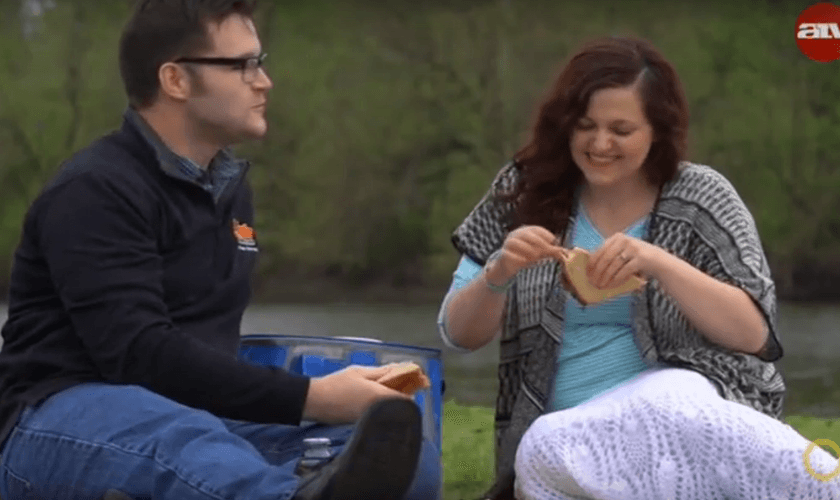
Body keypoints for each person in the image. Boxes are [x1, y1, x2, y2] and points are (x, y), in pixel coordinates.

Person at [0, 1, 440, 499]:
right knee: (178, 437)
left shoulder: (231, 192)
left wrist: (334, 397)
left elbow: (203, 357)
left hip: (196, 416)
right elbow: (140, 354)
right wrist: (312, 395)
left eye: (261, 61)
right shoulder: (95, 190)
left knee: (401, 457)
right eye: (242, 65)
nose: (264, 81)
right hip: (62, 418)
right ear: (176, 80)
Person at [437, 36, 840, 500]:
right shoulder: (523, 188)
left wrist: (658, 262)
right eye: (584, 125)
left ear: (657, 130)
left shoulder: (702, 196)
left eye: (622, 130)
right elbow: (457, 333)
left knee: (669, 392)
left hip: (688, 428)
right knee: (542, 446)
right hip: (569, 444)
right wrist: (498, 273)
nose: (600, 143)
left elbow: (755, 335)